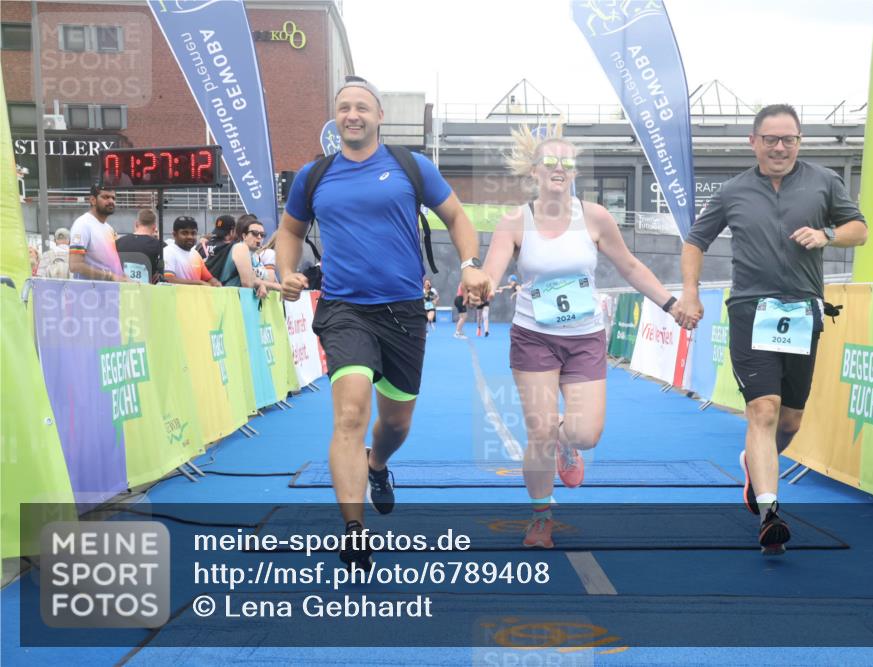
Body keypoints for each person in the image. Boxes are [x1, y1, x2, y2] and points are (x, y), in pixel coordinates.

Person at [275, 75, 490, 569]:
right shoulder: (315, 175)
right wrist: (286, 271)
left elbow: (455, 216)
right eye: (344, 107)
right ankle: (353, 530)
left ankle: (378, 463)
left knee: (395, 422)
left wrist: (472, 264)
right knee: (349, 413)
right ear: (336, 117)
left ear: (379, 116)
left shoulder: (410, 166)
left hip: (404, 311)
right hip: (345, 310)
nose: (353, 115)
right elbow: (290, 229)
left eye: (362, 107)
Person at [675, 104, 868, 556]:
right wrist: (690, 292)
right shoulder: (731, 191)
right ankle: (769, 513)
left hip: (803, 312)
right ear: (753, 141)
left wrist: (827, 235)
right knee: (762, 410)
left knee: (790, 419)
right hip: (750, 310)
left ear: (799, 141)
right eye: (771, 139)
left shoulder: (825, 182)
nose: (780, 147)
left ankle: (754, 464)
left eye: (789, 139)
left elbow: (859, 230)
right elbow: (695, 241)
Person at [482, 126, 682, 548]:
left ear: (574, 173)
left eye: (568, 163)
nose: (559, 168)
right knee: (539, 431)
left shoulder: (594, 217)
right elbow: (492, 270)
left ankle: (565, 443)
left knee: (587, 434)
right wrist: (478, 283)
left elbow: (629, 266)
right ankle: (541, 516)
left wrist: (670, 303)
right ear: (535, 171)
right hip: (534, 335)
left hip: (584, 338)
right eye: (551, 162)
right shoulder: (515, 221)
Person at [68, 184, 127, 282]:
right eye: (105, 197)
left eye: (113, 198)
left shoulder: (109, 229)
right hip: (89, 294)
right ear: (93, 200)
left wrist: (125, 278)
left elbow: (112, 266)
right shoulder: (83, 224)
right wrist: (110, 276)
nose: (111, 201)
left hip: (110, 292)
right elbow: (75, 265)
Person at [219, 216, 281, 298]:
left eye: (262, 235)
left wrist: (262, 284)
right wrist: (277, 287)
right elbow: (248, 282)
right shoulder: (240, 247)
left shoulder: (255, 256)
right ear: (244, 236)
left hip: (247, 303)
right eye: (255, 233)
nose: (259, 237)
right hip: (232, 301)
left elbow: (256, 280)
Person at [163, 216, 222, 287]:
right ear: (174, 234)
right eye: (184, 233)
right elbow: (168, 280)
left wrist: (215, 282)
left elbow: (208, 278)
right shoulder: (168, 252)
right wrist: (199, 283)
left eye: (193, 233)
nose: (190, 237)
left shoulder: (195, 254)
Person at [116, 208, 164, 284]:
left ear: (136, 224)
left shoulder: (118, 242)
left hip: (122, 289)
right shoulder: (160, 246)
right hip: (148, 291)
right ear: (154, 227)